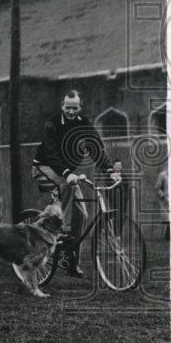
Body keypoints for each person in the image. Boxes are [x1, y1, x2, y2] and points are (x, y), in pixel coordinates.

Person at [31, 90, 119, 277]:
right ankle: (58, 230)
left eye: (75, 108)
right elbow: (50, 154)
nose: (71, 112)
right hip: (44, 167)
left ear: (80, 107)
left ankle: (71, 260)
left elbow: (96, 149)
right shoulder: (52, 124)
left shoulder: (84, 124)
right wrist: (66, 173)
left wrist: (110, 170)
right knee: (67, 186)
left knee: (82, 214)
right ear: (62, 106)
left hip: (67, 174)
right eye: (68, 108)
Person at [154, 168, 169, 240]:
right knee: (167, 218)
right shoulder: (163, 175)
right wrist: (162, 196)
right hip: (166, 200)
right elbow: (157, 187)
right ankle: (165, 235)